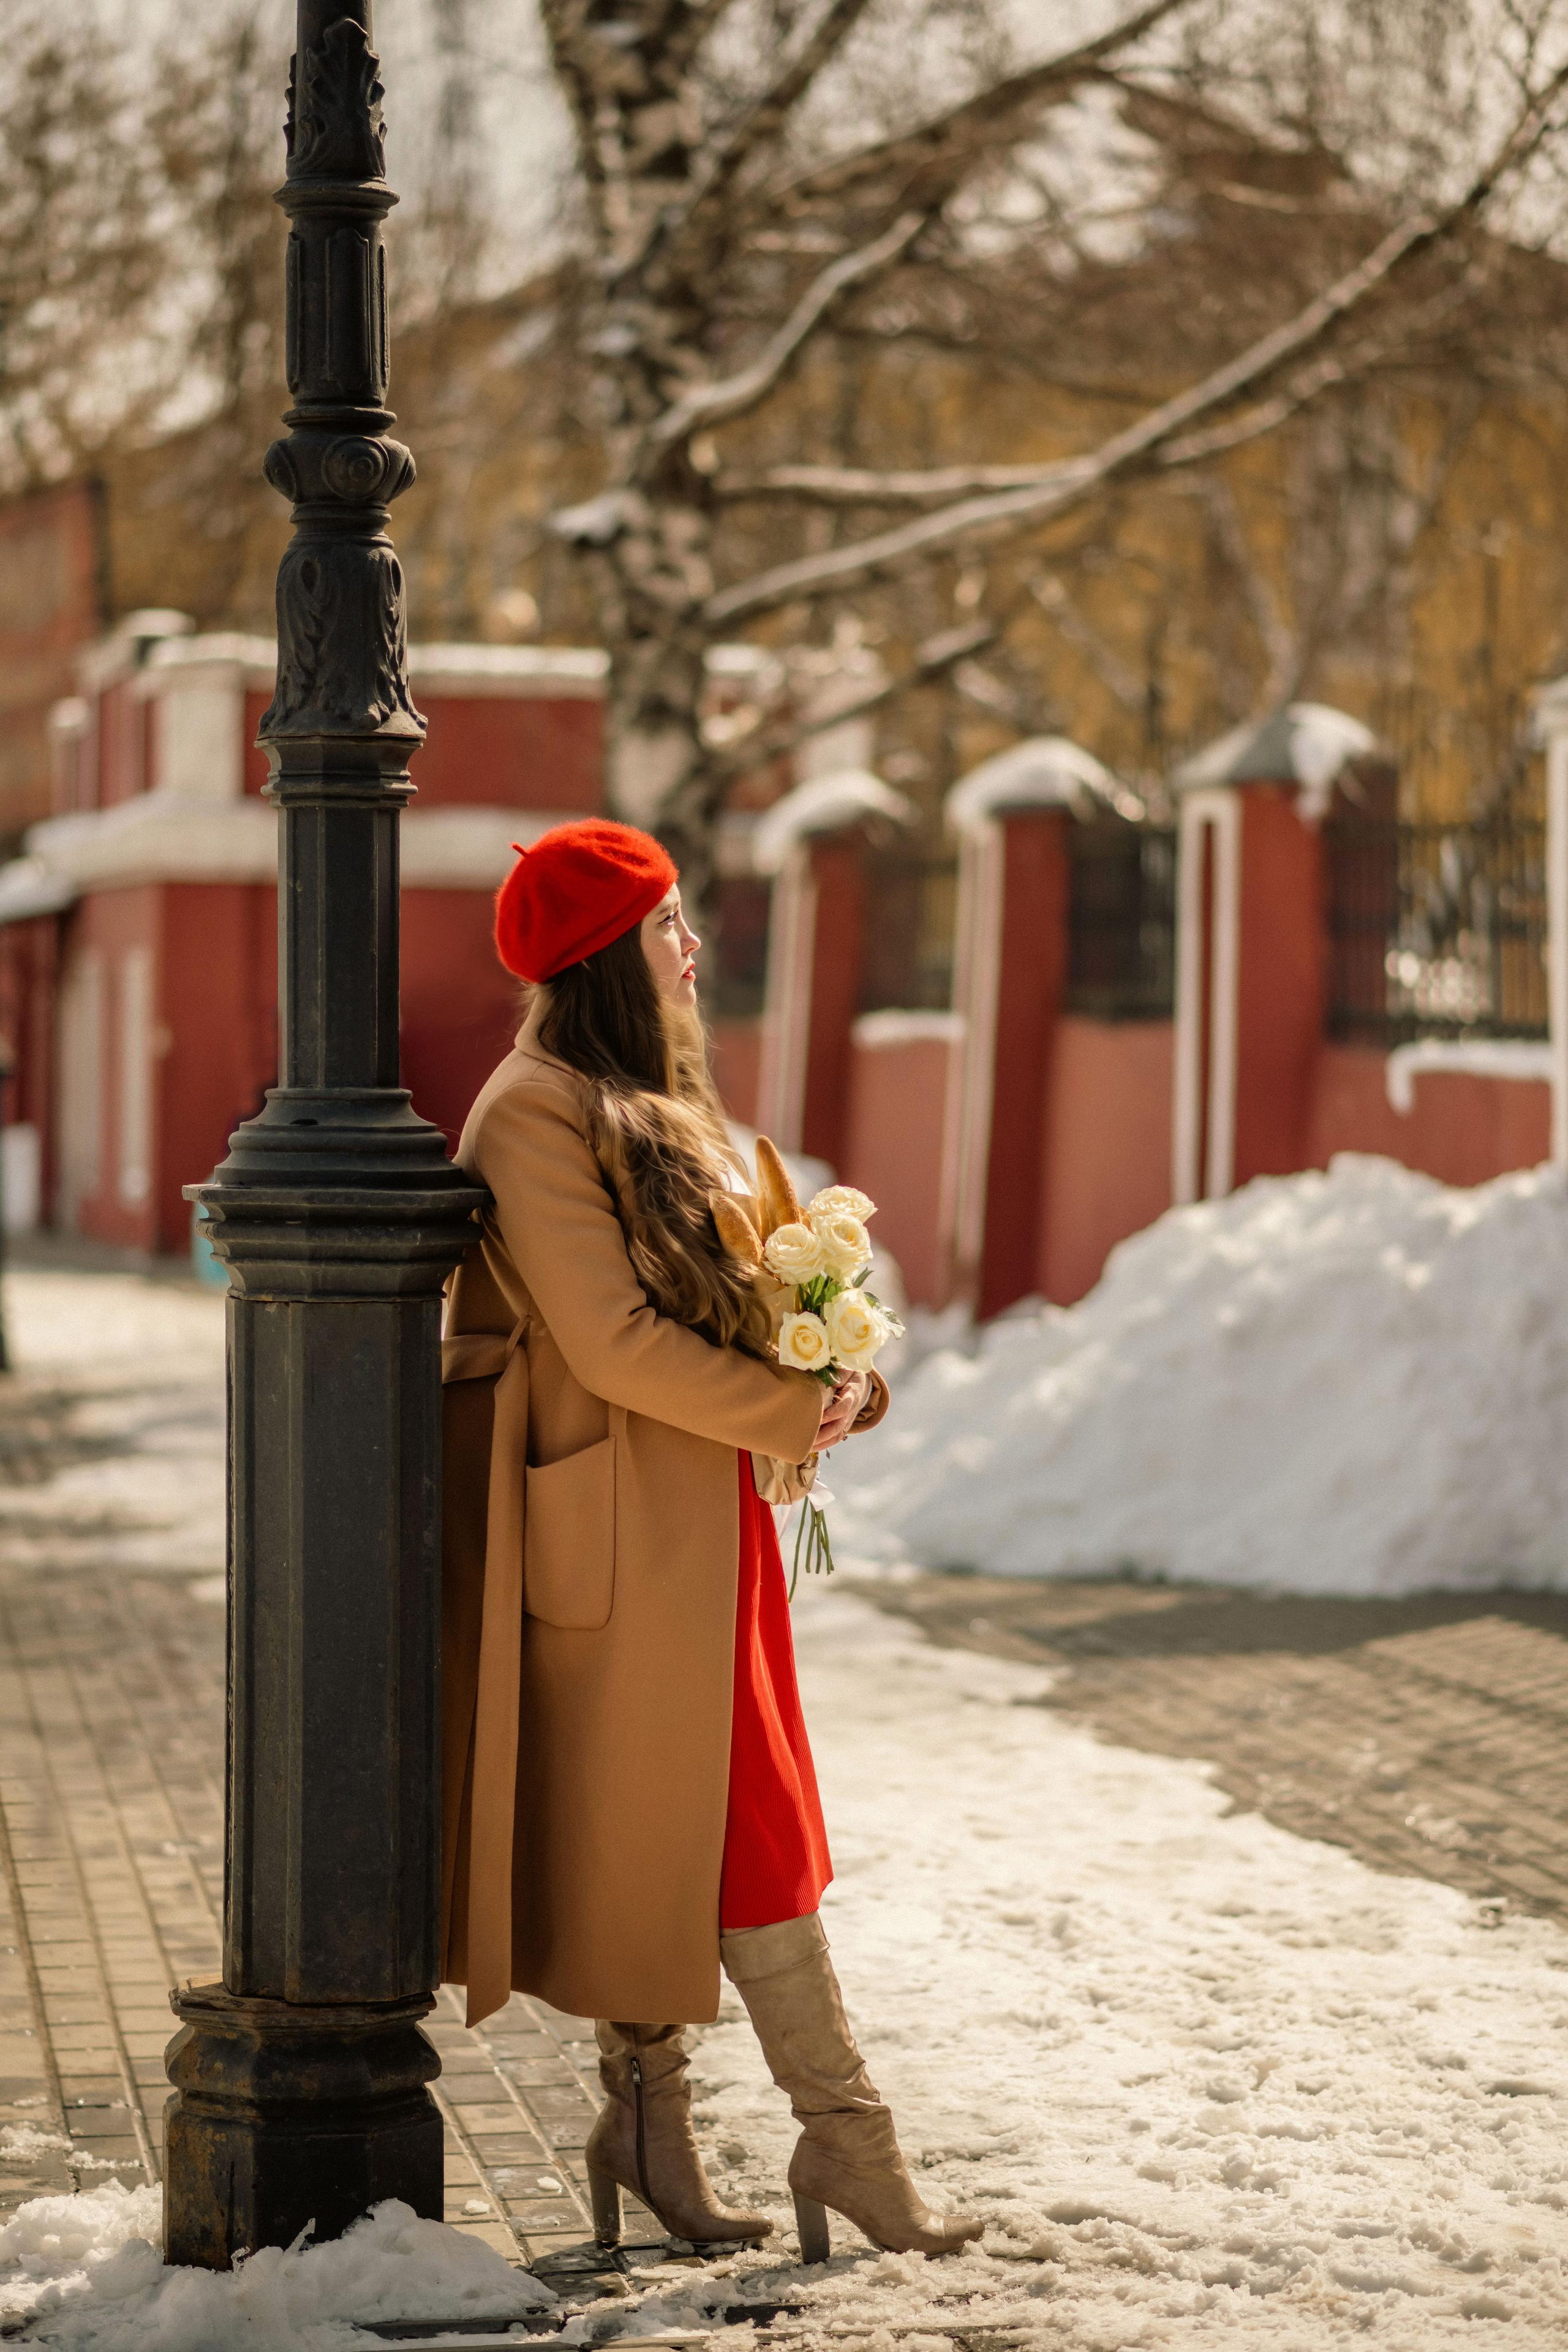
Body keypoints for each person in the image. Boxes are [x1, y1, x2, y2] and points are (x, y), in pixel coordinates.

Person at [440, 818, 981, 2266]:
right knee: (717, 1832)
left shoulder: (650, 1099)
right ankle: (845, 2143)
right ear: (608, 953)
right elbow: (611, 1342)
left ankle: (648, 2126)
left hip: (708, 1525)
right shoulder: (532, 1109)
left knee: (711, 1826)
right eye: (669, 926)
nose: (692, 950)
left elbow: (736, 1285)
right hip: (620, 1539)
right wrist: (789, 1405)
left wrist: (829, 1358)